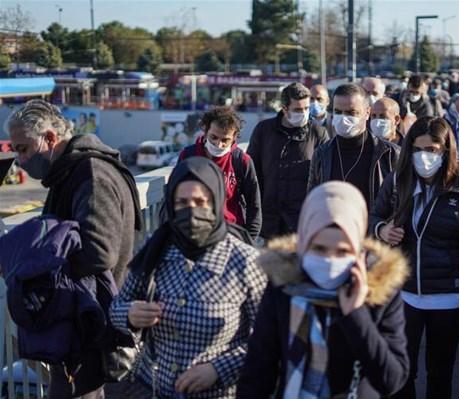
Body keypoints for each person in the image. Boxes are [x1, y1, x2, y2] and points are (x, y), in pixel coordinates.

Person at [7, 99, 143, 398]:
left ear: (50, 138)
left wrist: (38, 267)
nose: (20, 160)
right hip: (82, 324)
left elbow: (98, 250)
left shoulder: (90, 174)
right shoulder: (74, 171)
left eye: (23, 148)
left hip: (88, 329)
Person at [109, 157, 267, 398]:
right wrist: (129, 314)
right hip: (151, 389)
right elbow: (116, 307)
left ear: (216, 202)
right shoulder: (155, 251)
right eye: (182, 203)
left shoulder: (245, 262)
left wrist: (218, 369)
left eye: (200, 202)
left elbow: (268, 339)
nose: (192, 211)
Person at [237, 181, 410, 398]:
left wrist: (357, 315)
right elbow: (258, 371)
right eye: (319, 249)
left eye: (342, 251)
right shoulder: (285, 285)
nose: (330, 260)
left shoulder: (380, 290)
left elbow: (391, 380)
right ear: (303, 244)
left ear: (358, 251)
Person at [370, 116, 459, 399]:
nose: (424, 157)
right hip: (403, 296)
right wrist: (382, 229)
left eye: (432, 150)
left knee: (439, 374)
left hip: (450, 299)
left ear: (446, 150)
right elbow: (373, 216)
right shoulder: (398, 181)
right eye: (417, 149)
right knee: (401, 373)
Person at [247, 82, 329, 240]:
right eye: (298, 110)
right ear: (284, 109)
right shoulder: (264, 130)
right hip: (268, 220)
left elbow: (324, 177)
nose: (304, 113)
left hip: (302, 221)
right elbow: (252, 173)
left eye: (306, 108)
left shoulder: (318, 133)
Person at [308, 83, 399, 210]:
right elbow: (313, 200)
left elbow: (401, 201)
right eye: (338, 112)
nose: (344, 118)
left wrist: (381, 226)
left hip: (373, 228)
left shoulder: (390, 153)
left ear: (367, 113)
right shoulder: (322, 153)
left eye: (351, 113)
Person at [178, 106, 262, 239]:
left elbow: (254, 204)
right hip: (194, 233)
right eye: (214, 137)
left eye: (225, 140)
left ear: (234, 136)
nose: (219, 145)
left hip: (231, 234)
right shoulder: (188, 156)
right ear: (205, 130)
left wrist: (249, 240)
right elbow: (174, 197)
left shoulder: (242, 161)